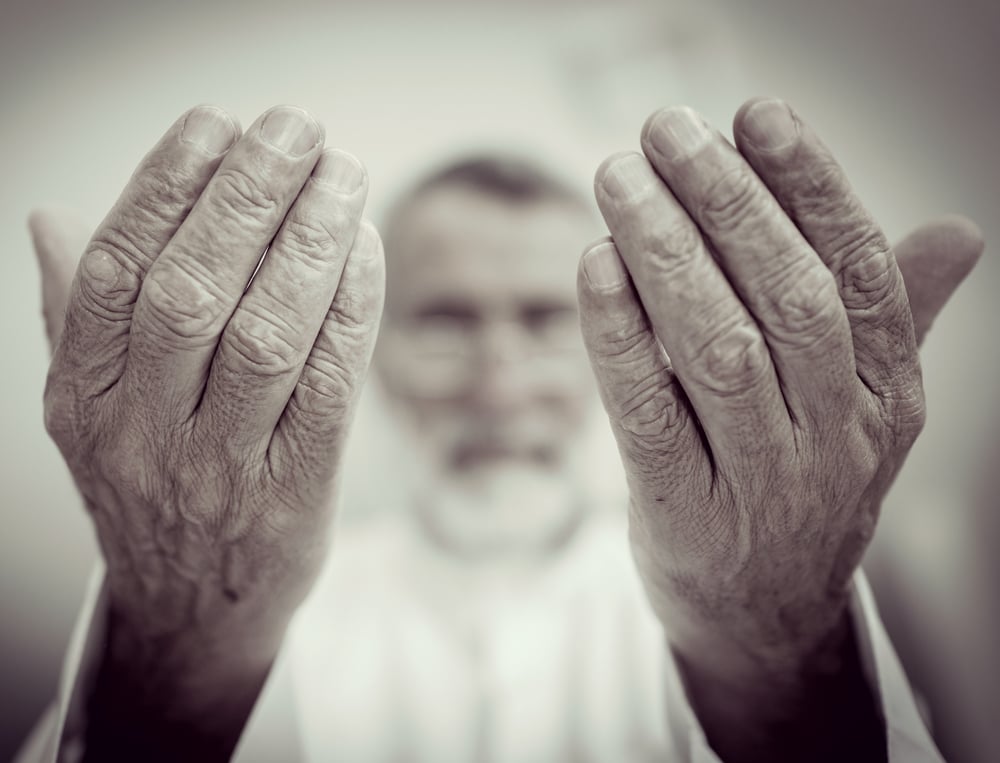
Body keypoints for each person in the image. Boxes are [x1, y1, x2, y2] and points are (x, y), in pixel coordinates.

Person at [16, 99, 983, 762]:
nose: (500, 382)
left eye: (546, 316)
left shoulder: (760, 584)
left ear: (627, 340)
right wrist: (177, 635)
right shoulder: (241, 592)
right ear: (374, 348)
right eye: (446, 321)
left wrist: (780, 637)